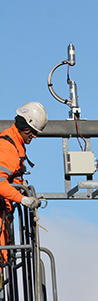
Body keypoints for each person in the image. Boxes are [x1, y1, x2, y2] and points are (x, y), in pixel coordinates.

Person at [0, 103, 47, 265]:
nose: (34, 136)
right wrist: (22, 199)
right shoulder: (7, 147)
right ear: (26, 126)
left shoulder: (15, 144)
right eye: (33, 132)